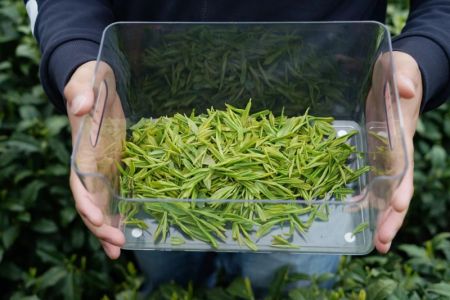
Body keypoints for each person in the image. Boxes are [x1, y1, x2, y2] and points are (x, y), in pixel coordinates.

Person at [25, 0, 450, 294]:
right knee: (170, 270)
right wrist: (77, 53)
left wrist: (423, 55)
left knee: (287, 282)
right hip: (148, 140)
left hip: (321, 148)